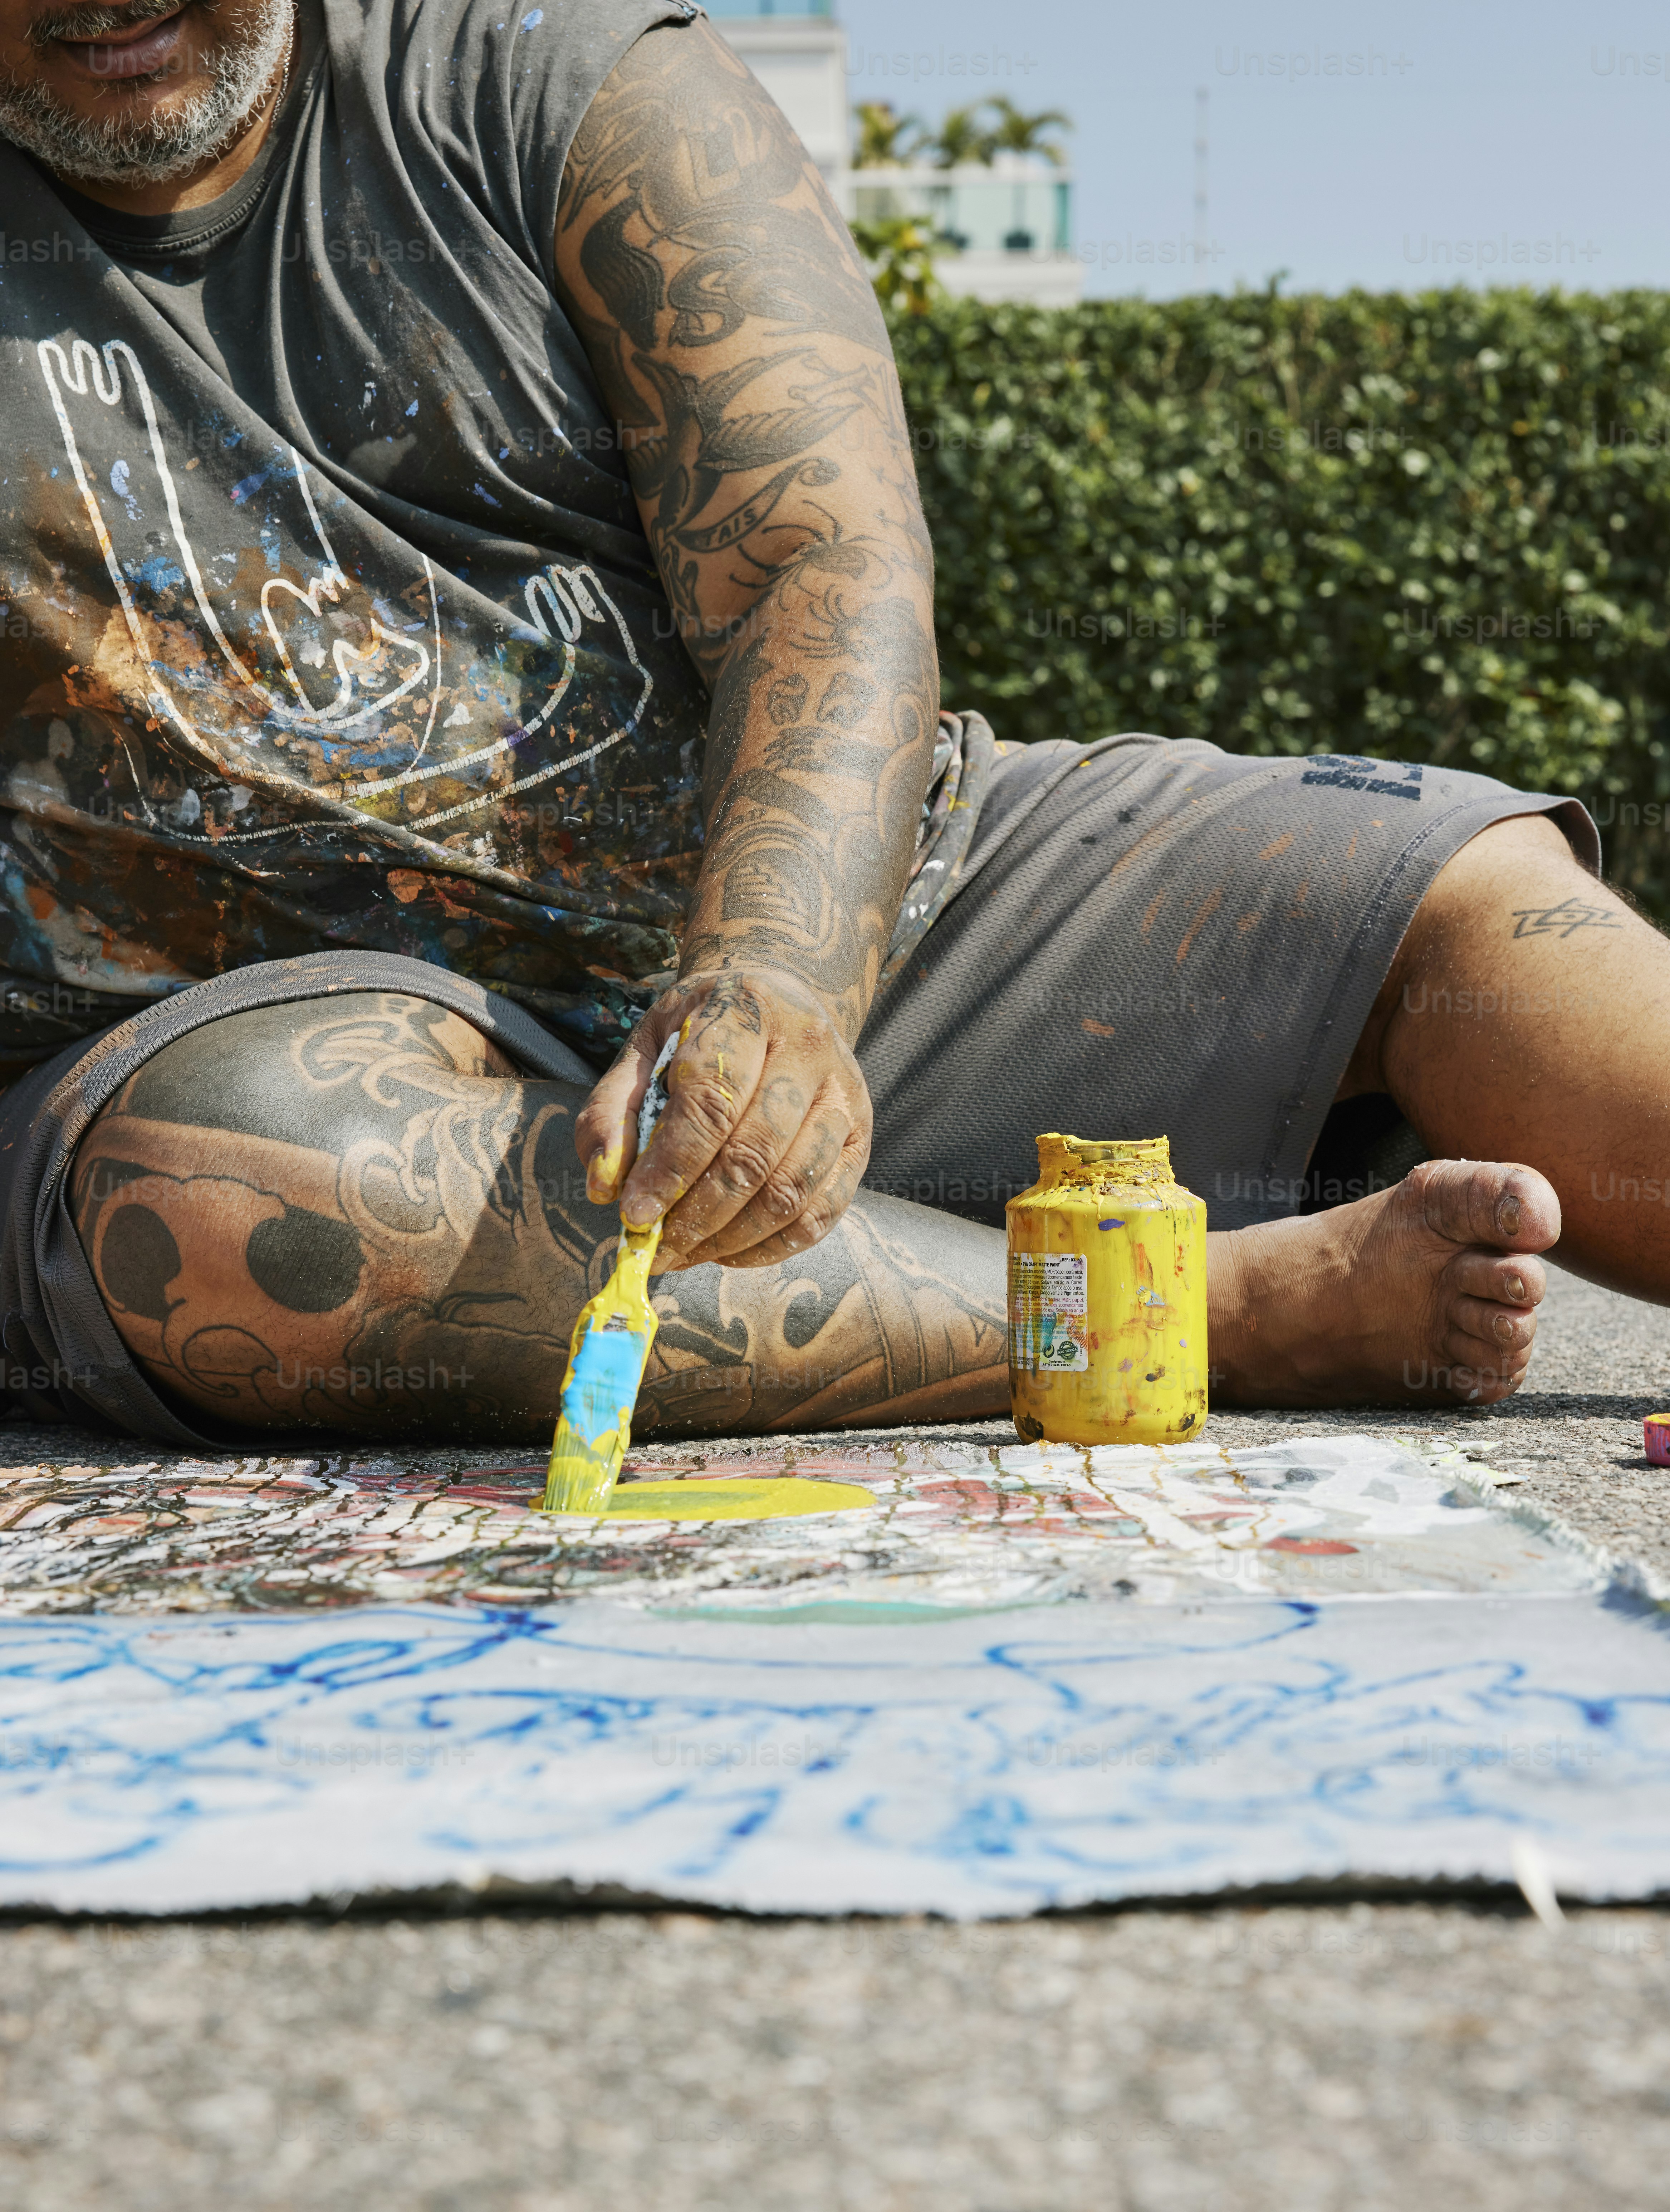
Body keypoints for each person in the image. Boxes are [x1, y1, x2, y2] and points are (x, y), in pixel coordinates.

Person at [0, 0, 1652, 1451]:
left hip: (854, 933)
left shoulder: (548, 60)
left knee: (1472, 918)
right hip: (281, 1064)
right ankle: (1202, 1308)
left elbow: (818, 557)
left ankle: (922, 1229)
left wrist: (775, 984)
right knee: (233, 1201)